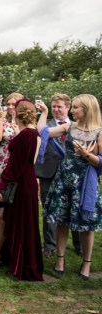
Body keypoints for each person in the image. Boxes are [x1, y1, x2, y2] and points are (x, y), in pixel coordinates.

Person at [38, 94, 102, 281]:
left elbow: (100, 162)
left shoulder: (99, 132)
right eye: (72, 107)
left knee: (86, 225)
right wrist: (44, 112)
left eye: (75, 107)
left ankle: (86, 262)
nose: (71, 111)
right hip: (64, 181)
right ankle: (60, 259)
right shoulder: (69, 127)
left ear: (87, 109)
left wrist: (86, 155)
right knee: (61, 221)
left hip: (84, 183)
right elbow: (43, 132)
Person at [0, 99, 43, 281]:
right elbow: (31, 161)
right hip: (28, 180)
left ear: (17, 113)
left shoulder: (23, 136)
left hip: (17, 183)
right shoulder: (34, 133)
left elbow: (15, 166)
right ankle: (13, 258)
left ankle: (21, 263)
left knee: (16, 219)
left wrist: (2, 185)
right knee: (23, 221)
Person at [34, 93, 81, 257]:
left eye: (59, 106)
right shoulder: (45, 124)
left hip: (72, 173)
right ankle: (50, 245)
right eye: (53, 106)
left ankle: (79, 245)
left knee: (75, 208)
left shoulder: (78, 125)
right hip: (48, 171)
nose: (56, 109)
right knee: (49, 209)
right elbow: (39, 135)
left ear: (68, 107)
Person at [0, 93, 23, 206]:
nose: (10, 107)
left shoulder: (26, 123)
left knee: (16, 200)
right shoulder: (3, 121)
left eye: (14, 104)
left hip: (18, 163)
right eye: (8, 104)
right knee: (1, 201)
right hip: (3, 163)